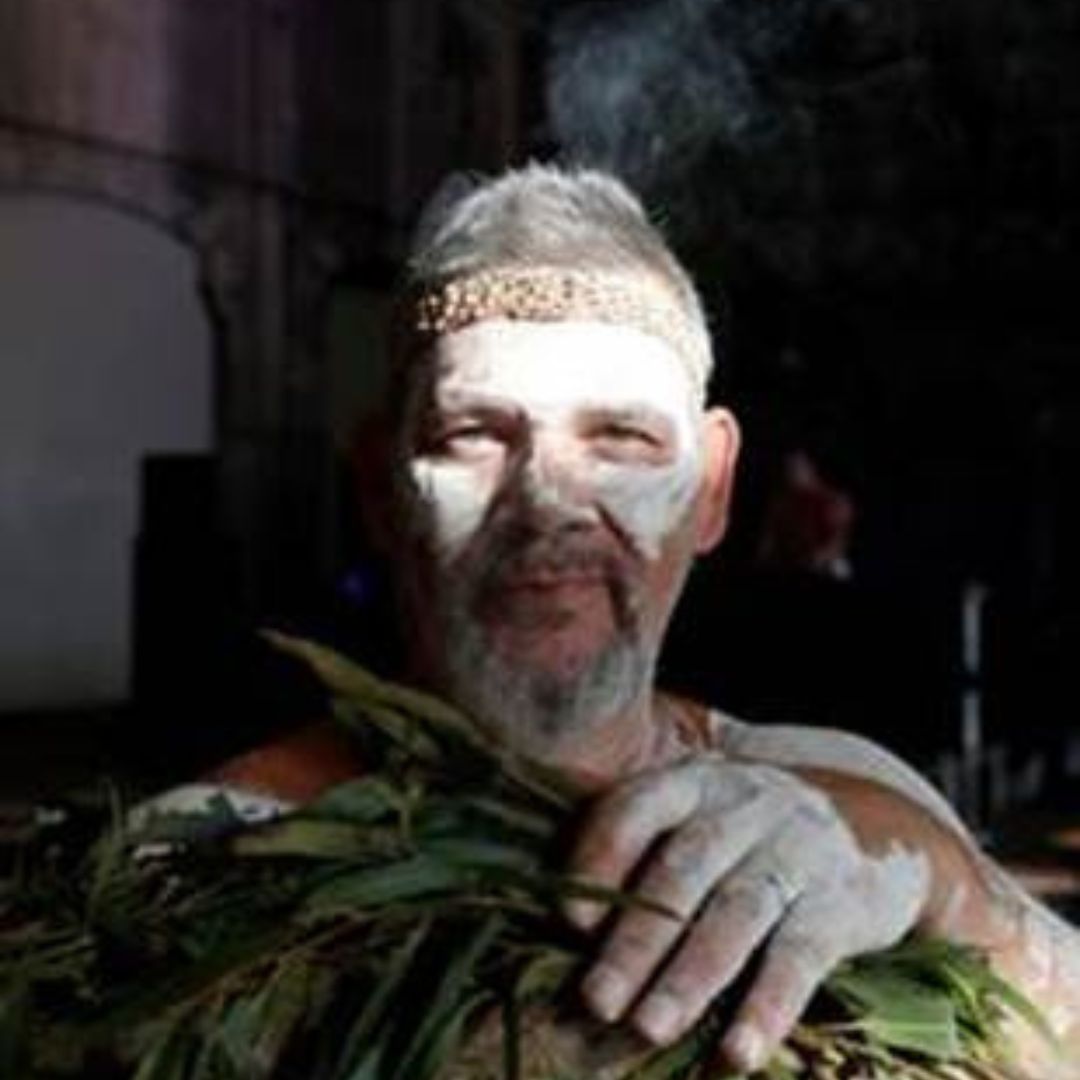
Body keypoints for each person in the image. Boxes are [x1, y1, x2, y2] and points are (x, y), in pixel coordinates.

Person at [166, 165, 1078, 1074]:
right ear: (379, 485)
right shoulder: (210, 860)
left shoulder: (842, 808)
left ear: (713, 489)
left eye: (621, 440)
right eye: (474, 435)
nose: (548, 502)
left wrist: (957, 899)